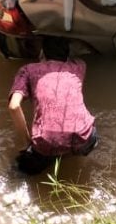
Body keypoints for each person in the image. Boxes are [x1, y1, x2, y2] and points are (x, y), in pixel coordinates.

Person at [8, 37, 98, 175]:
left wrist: (26, 143)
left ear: (42, 53)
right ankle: (73, 153)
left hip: (47, 143)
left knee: (18, 172)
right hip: (83, 138)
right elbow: (83, 47)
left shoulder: (28, 70)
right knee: (91, 132)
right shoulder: (79, 66)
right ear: (68, 55)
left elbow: (14, 106)